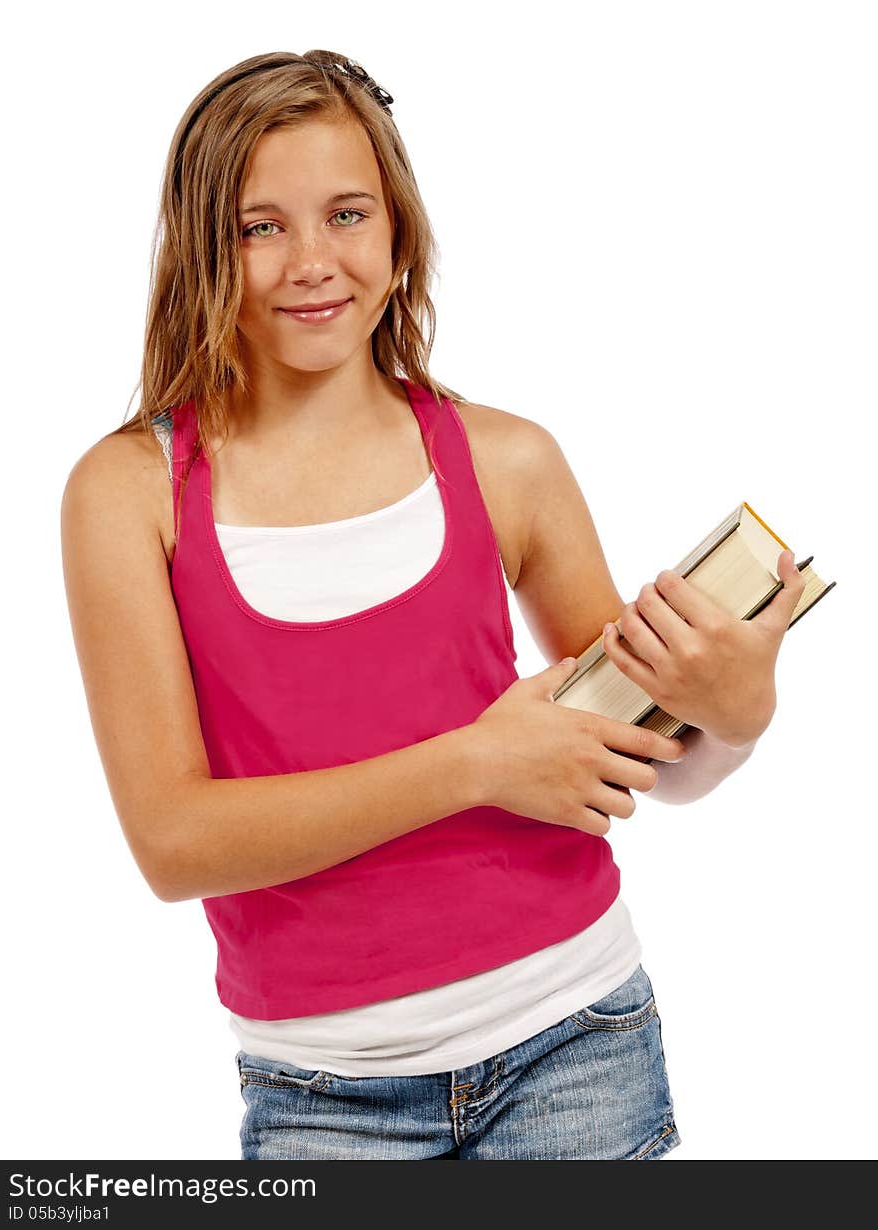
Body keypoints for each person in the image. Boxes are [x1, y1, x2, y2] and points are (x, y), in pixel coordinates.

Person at [60, 50, 805, 1162]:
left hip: (578, 1044)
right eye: (260, 226)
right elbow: (174, 843)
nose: (311, 262)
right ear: (201, 247)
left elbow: (634, 758)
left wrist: (738, 712)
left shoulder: (506, 461)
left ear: (398, 231)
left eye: (346, 214)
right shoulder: (127, 494)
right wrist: (474, 764)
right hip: (323, 1089)